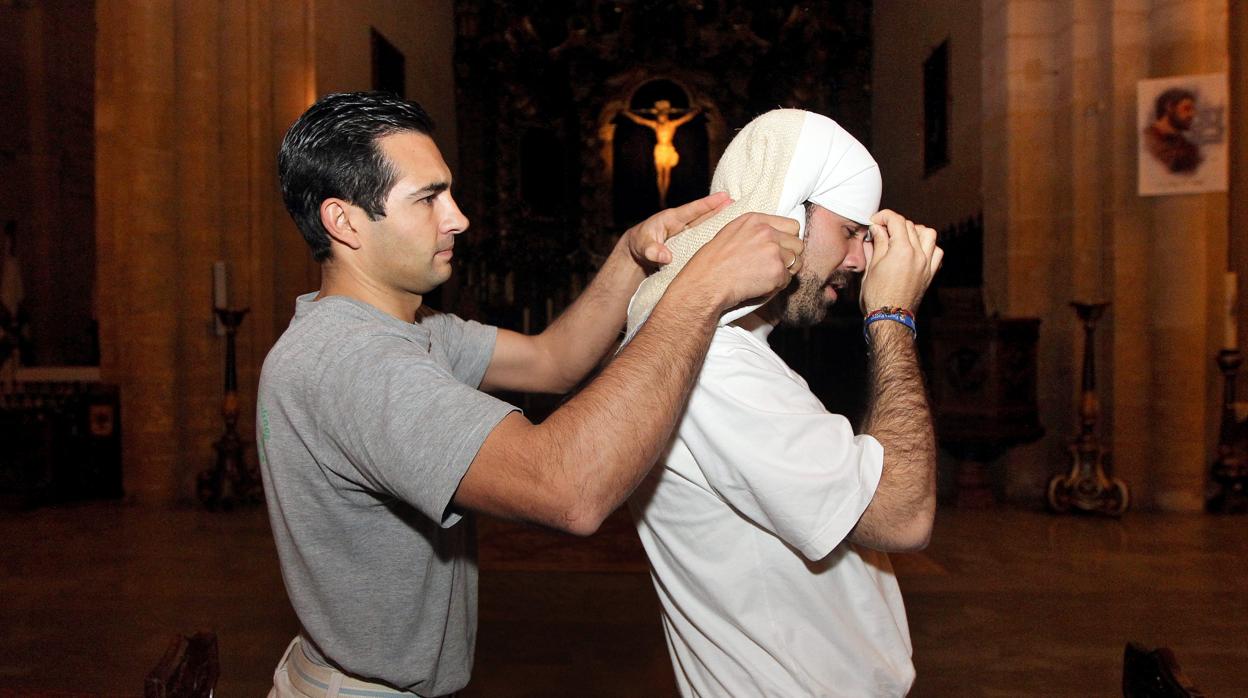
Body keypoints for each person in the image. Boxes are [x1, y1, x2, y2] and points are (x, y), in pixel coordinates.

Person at [258, 91, 805, 697]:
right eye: (427, 198)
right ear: (344, 221)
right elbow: (567, 487)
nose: (458, 218)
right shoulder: (352, 362)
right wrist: (700, 293)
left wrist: (629, 252)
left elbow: (553, 361)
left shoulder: (413, 332)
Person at [624, 109, 943, 696]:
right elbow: (902, 512)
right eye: (849, 231)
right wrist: (892, 316)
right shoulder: (713, 363)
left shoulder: (731, 348)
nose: (859, 260)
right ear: (788, 208)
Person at [621, 100, 702, 207]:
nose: (660, 119)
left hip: (668, 150)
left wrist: (695, 112)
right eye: (658, 116)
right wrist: (627, 113)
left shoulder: (672, 125)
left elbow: (685, 119)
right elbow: (640, 120)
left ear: (665, 115)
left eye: (661, 116)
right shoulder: (656, 125)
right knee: (659, 175)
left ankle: (664, 197)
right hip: (659, 150)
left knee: (667, 175)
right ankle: (661, 198)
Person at [1143, 87, 1202, 174]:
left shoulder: (1189, 148)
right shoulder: (1147, 140)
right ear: (1169, 107)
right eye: (1187, 109)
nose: (1192, 114)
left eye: (1193, 110)